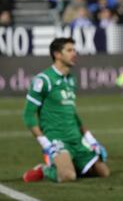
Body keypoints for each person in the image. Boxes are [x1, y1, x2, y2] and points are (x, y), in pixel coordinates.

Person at [22, 37, 110, 183]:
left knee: (103, 172)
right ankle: (44, 169)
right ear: (57, 54)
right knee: (68, 176)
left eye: (74, 50)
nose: (74, 53)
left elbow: (73, 113)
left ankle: (67, 164)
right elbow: (28, 116)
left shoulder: (70, 80)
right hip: (56, 139)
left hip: (76, 139)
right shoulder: (44, 80)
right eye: (69, 50)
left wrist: (90, 139)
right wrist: (46, 144)